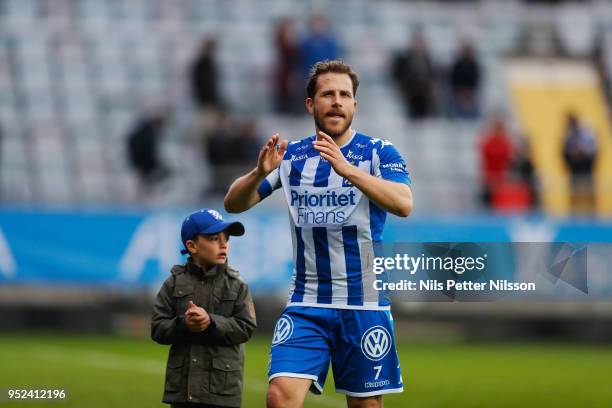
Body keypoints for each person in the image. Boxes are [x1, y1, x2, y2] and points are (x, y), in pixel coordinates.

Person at [224, 60, 413, 408]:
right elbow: (234, 204)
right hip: (306, 303)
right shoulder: (292, 156)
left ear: (355, 104)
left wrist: (347, 170)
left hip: (364, 305)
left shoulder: (378, 152)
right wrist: (257, 173)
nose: (337, 101)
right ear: (311, 104)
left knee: (366, 406)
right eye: (328, 94)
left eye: (345, 94)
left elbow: (403, 203)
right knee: (279, 396)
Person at [151, 208, 257, 408]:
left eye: (226, 238)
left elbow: (246, 327)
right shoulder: (173, 283)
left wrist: (210, 322)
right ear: (192, 246)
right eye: (214, 238)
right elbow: (157, 328)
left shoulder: (237, 285)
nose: (224, 244)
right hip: (183, 393)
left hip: (221, 392)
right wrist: (184, 324)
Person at [392, 31, 436, 119]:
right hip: (411, 94)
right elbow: (400, 74)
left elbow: (431, 75)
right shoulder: (405, 59)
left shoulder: (427, 59)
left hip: (424, 95)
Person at [562, 112, 598, 214]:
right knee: (574, 191)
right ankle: (573, 211)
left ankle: (592, 212)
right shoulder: (567, 136)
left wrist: (584, 154)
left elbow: (594, 150)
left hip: (586, 167)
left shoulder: (587, 134)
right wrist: (572, 157)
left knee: (588, 190)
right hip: (574, 168)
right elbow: (564, 152)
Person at [449, 40, 481, 119]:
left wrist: (469, 91)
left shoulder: (474, 65)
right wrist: (460, 91)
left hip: (470, 93)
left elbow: (476, 79)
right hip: (459, 93)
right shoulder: (457, 65)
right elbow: (454, 79)